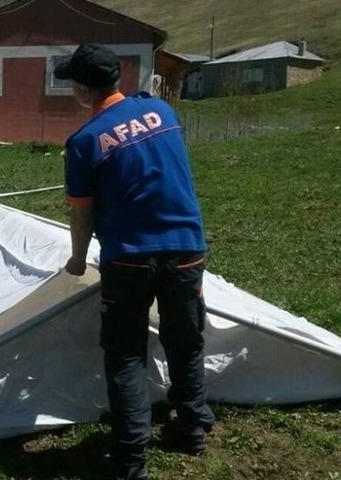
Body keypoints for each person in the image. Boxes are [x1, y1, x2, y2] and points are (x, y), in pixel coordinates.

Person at [55, 44, 214, 480]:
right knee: (186, 340)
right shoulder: (162, 111)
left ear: (84, 90)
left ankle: (130, 461)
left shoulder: (85, 142)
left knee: (125, 355)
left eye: (73, 85)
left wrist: (75, 259)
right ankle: (192, 427)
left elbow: (81, 210)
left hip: (129, 259)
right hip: (185, 246)